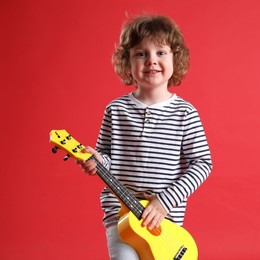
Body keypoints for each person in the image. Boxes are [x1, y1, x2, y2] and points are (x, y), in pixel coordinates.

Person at [77, 14, 212, 260]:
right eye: (141, 54)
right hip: (121, 213)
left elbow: (202, 164)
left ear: (175, 58)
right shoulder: (115, 110)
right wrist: (95, 162)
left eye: (161, 53)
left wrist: (164, 202)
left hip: (163, 218)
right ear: (127, 62)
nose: (151, 61)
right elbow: (106, 159)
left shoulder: (186, 113)